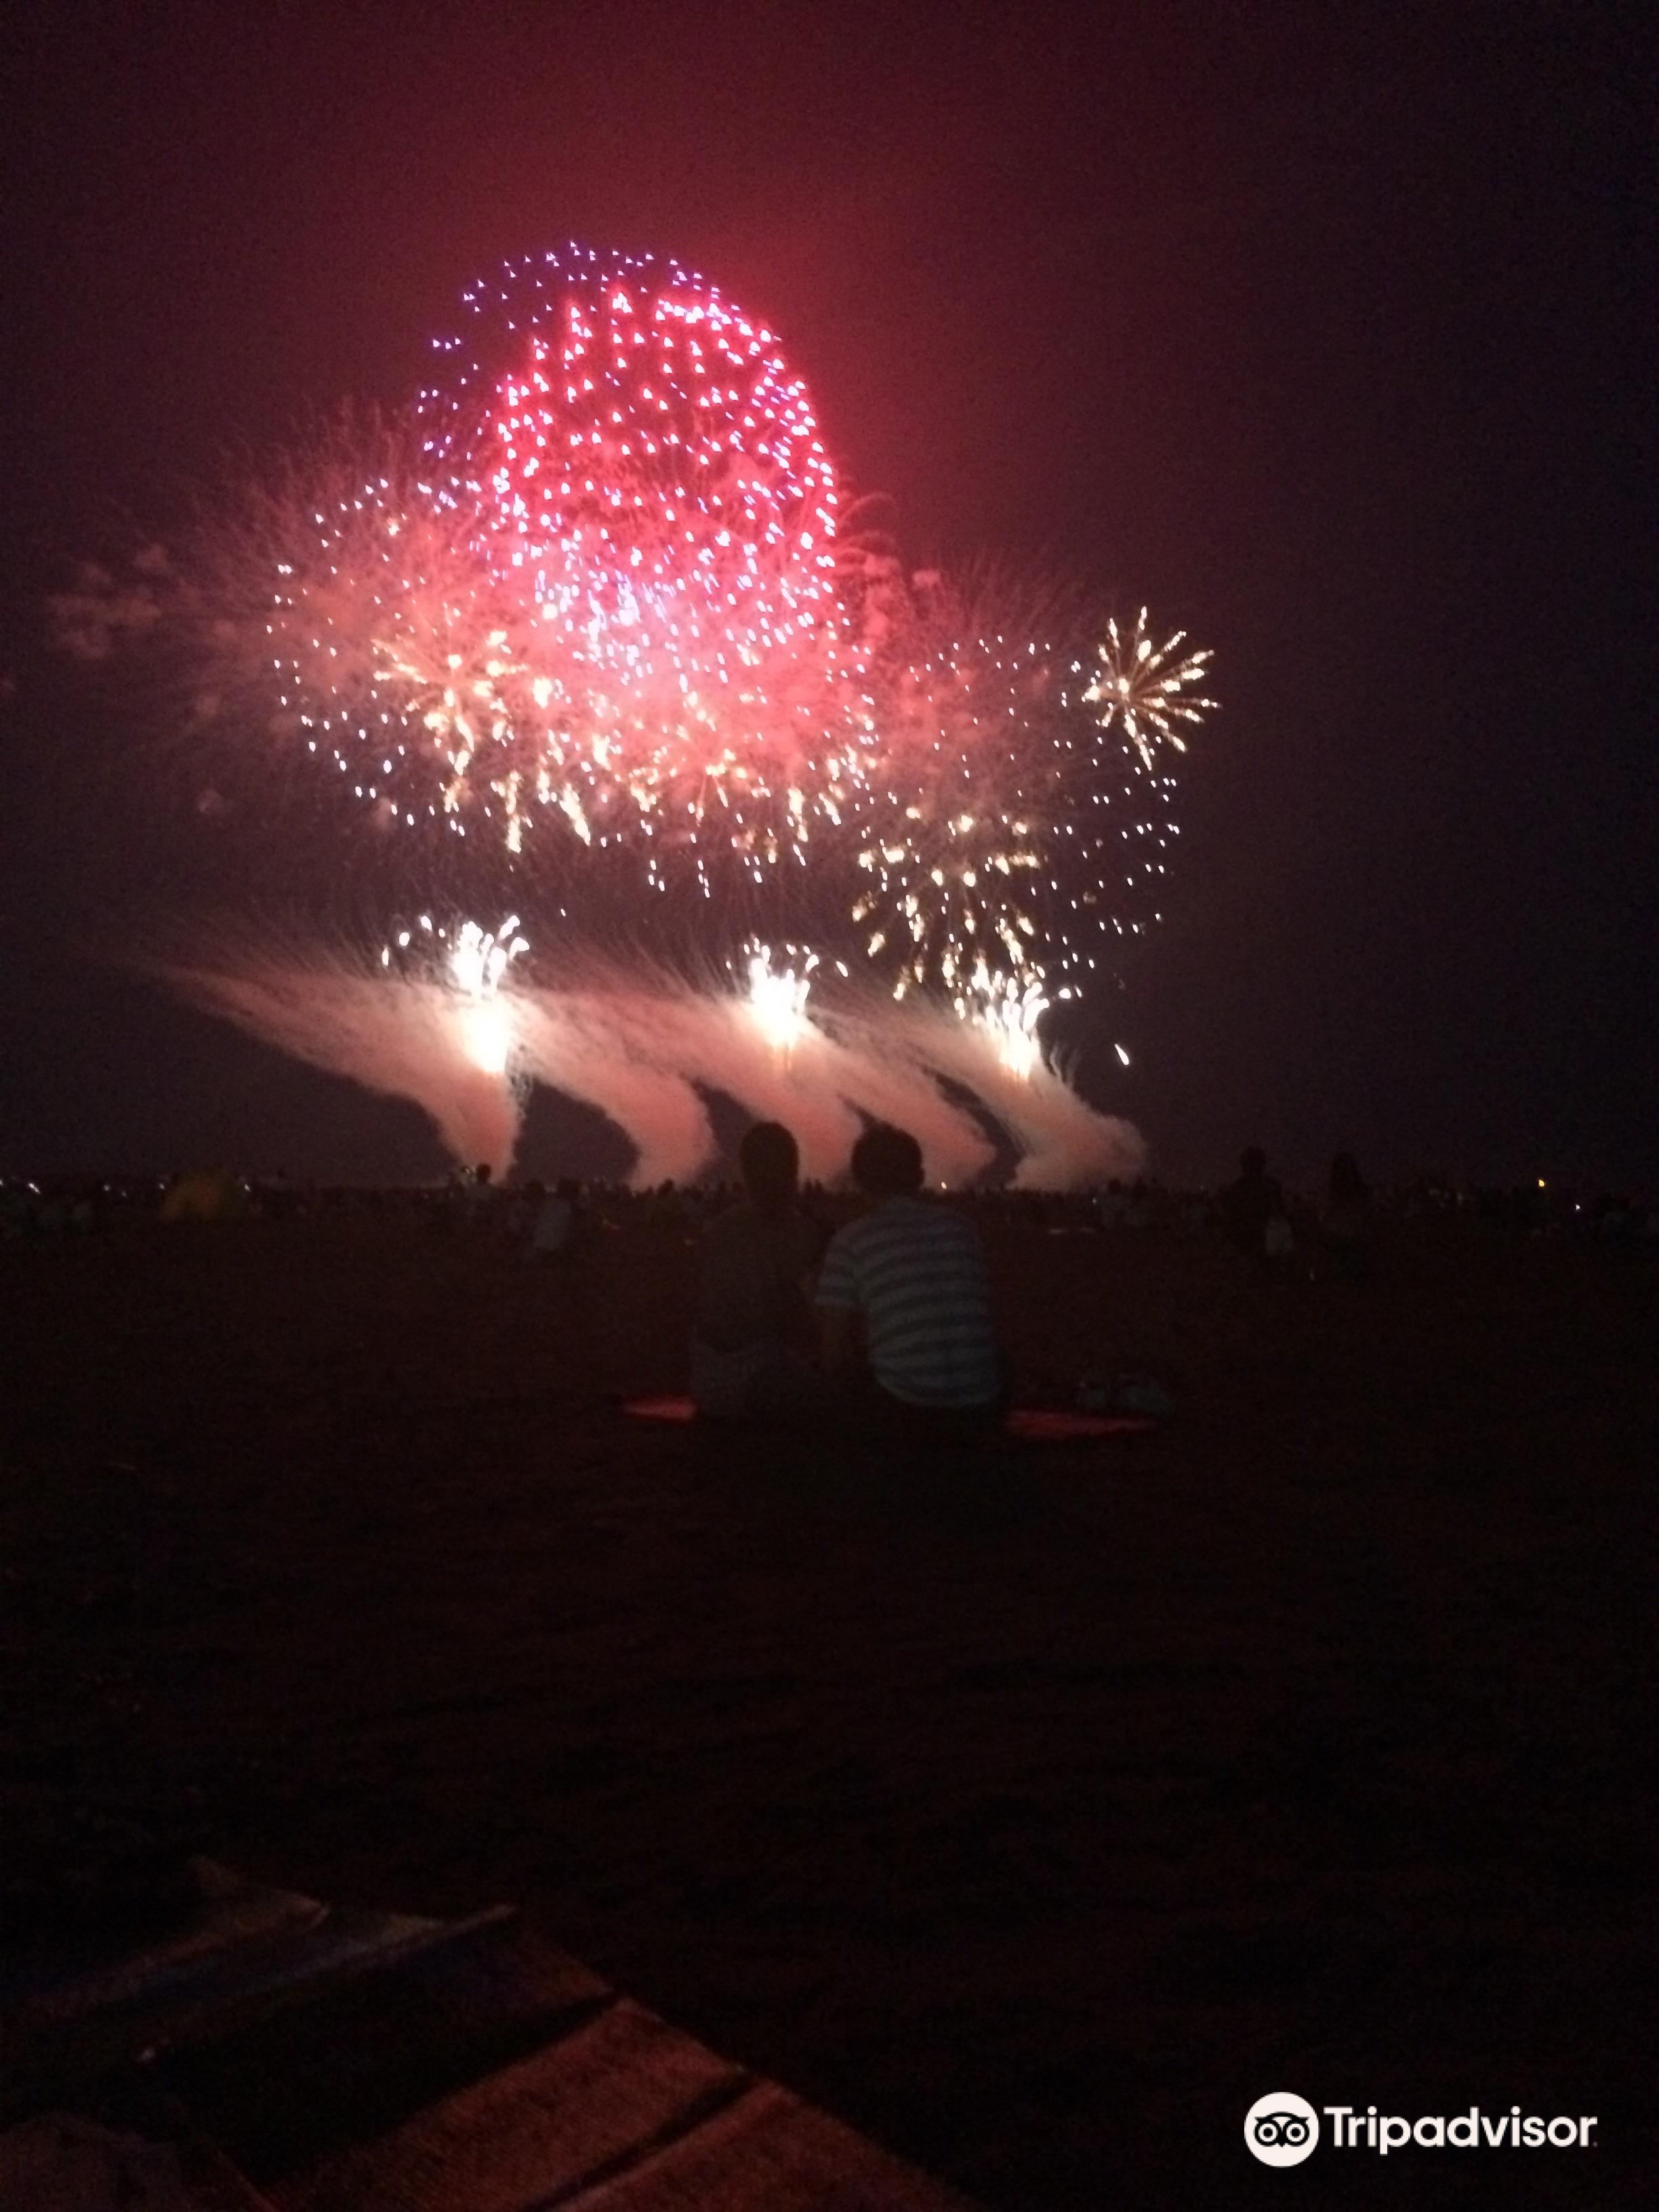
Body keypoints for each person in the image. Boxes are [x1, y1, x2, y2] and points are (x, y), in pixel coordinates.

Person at [815, 1123, 1002, 1438]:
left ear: (860, 1180)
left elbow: (829, 1354)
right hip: (984, 1406)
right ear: (919, 1176)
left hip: (907, 1413)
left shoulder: (851, 1242)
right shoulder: (961, 1229)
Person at [690, 1122, 825, 1420]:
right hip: (762, 1380)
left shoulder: (718, 1230)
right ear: (794, 1171)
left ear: (744, 1171)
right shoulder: (801, 1233)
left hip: (709, 1383)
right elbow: (801, 1320)